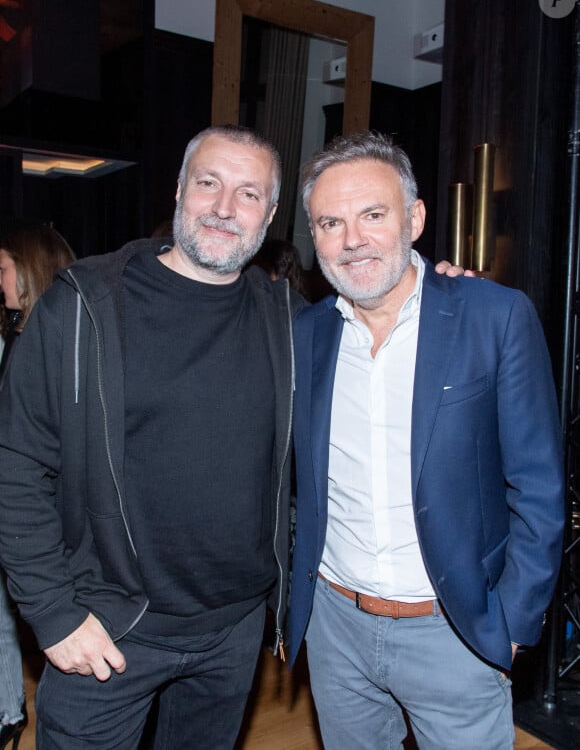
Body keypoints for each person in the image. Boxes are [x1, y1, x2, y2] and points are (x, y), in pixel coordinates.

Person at [0, 125, 464, 750]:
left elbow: (381, 322)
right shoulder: (82, 307)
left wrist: (434, 288)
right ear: (178, 191)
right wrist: (53, 613)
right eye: (208, 184)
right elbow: (15, 465)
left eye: (248, 194)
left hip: (235, 631)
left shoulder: (292, 322)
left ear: (270, 216)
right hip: (107, 625)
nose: (223, 207)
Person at [287, 131, 565, 749]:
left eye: (373, 215)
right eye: (330, 222)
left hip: (455, 630)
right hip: (335, 629)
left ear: (414, 218)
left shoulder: (495, 317)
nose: (352, 240)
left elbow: (539, 486)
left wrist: (513, 621)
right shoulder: (306, 335)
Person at [0, 221, 75, 749]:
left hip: (48, 523)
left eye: (3, 268)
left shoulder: (36, 348)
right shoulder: (28, 338)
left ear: (27, 274)